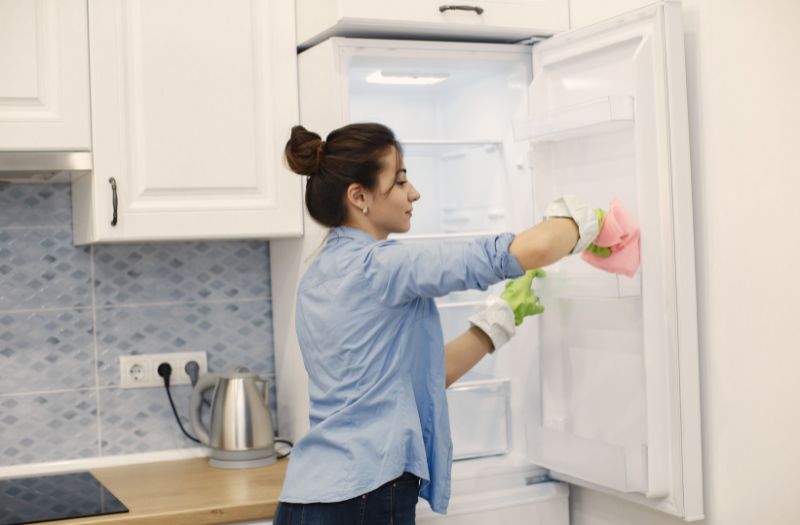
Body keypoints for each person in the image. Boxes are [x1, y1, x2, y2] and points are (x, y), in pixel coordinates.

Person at [274, 123, 599, 525]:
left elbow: (414, 379)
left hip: (304, 500)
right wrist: (587, 221)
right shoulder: (384, 266)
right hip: (366, 495)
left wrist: (495, 324)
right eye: (400, 181)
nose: (414, 193)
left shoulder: (318, 274)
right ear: (359, 196)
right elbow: (531, 248)